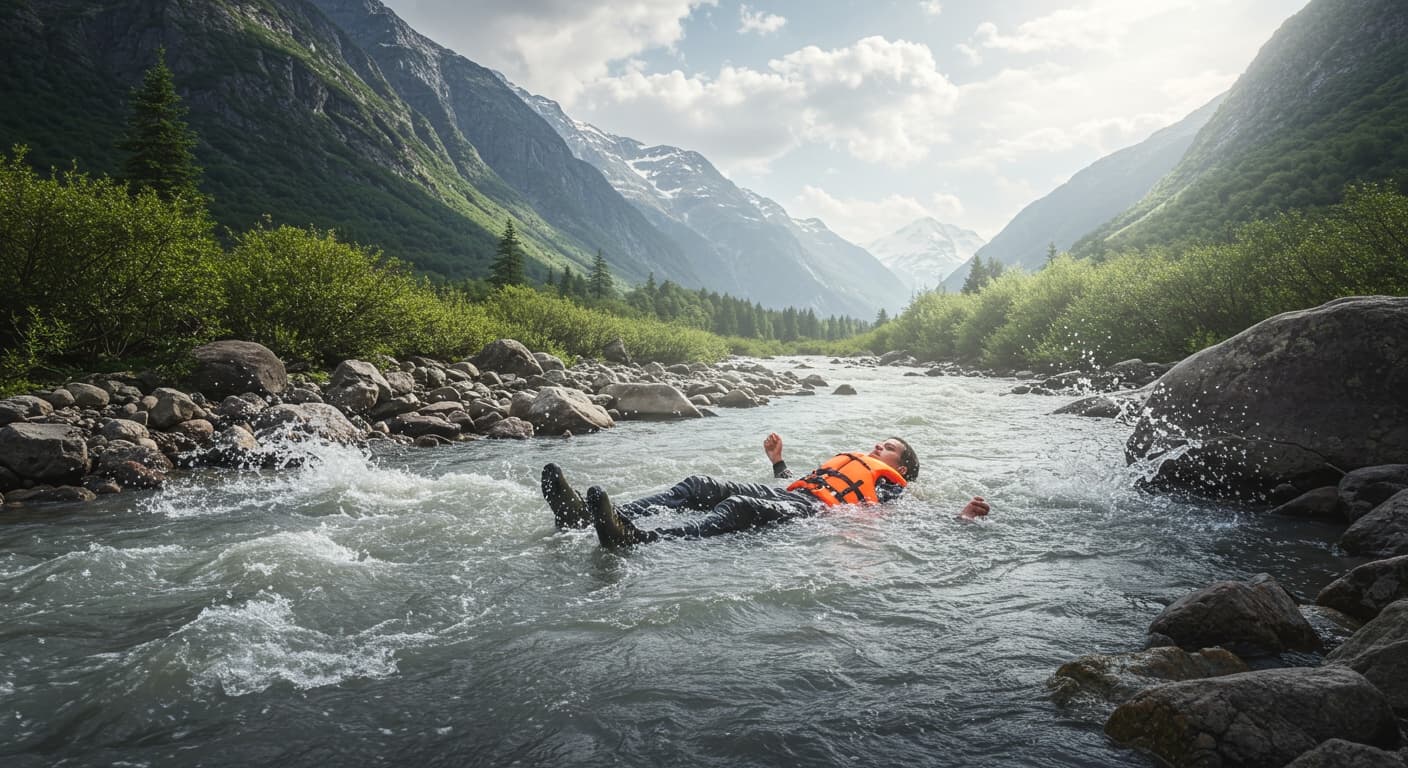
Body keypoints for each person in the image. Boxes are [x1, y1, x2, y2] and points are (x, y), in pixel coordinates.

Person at [541, 432, 990, 547]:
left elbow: (915, 522)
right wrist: (778, 463)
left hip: (815, 514)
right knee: (701, 484)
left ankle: (639, 539)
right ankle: (587, 517)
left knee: (737, 506)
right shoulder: (852, 463)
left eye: (888, 447)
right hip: (795, 495)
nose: (877, 446)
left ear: (902, 467)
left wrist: (962, 517)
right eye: (880, 442)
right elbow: (801, 483)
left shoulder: (892, 489)